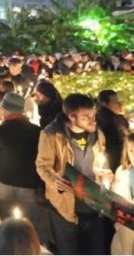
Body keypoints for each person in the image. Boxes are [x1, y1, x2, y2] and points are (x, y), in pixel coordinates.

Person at [35, 93, 110, 255]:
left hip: (94, 205)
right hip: (66, 208)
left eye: (93, 115)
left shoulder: (97, 134)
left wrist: (105, 173)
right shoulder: (51, 135)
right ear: (71, 117)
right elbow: (43, 165)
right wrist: (54, 179)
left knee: (95, 250)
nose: (92, 120)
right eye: (85, 117)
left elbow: (101, 161)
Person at [0, 92, 44, 240]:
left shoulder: (0, 131)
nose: (1, 110)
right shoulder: (36, 131)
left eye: (3, 108)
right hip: (27, 183)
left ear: (8, 110)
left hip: (3, 182)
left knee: (6, 218)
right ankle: (36, 245)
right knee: (31, 221)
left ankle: (9, 244)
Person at [95, 89, 129, 173]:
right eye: (115, 102)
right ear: (104, 103)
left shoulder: (113, 117)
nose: (120, 104)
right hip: (116, 160)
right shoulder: (107, 120)